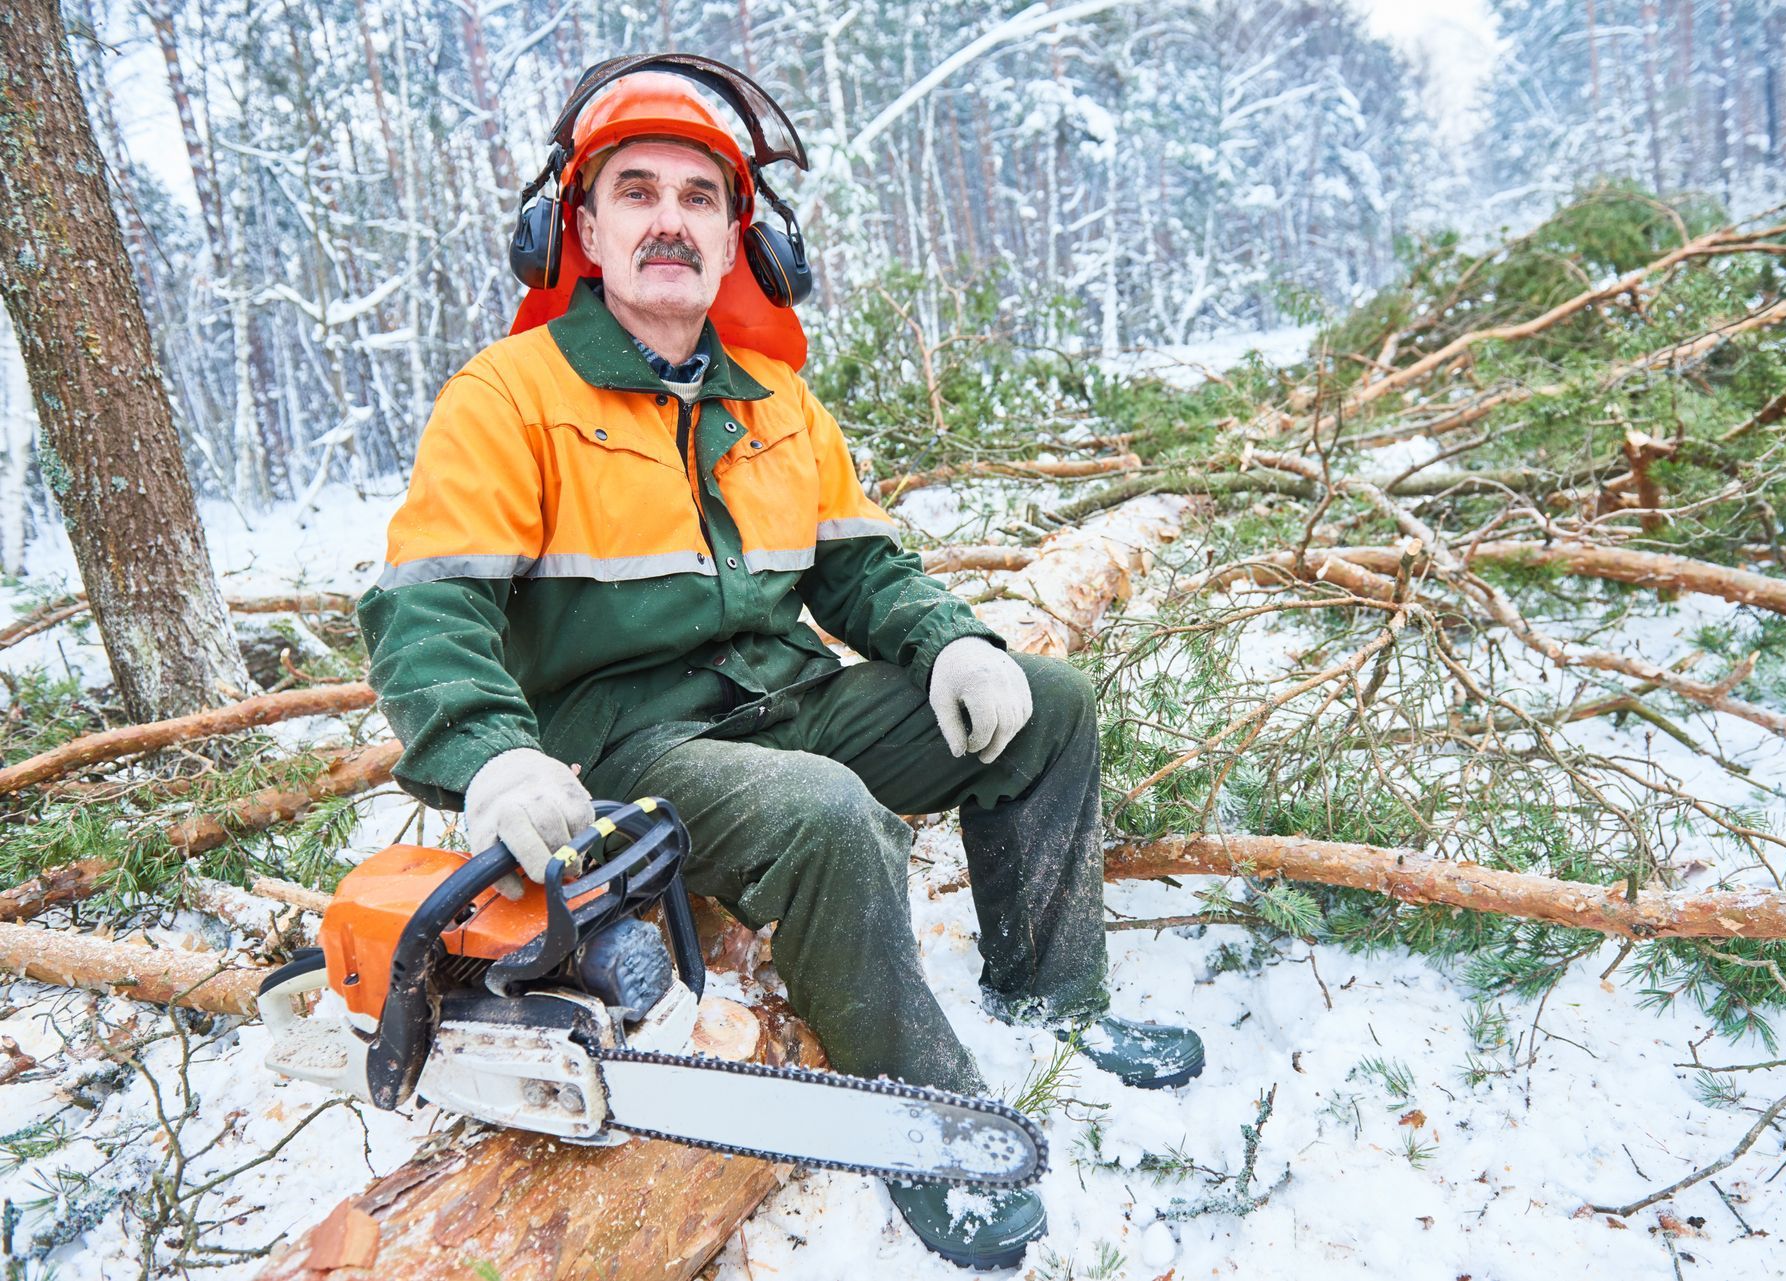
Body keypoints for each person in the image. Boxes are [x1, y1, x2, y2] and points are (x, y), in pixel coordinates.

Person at [356, 59, 1203, 1271]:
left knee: (1049, 709)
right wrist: (492, 761)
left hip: (785, 695)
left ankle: (1051, 1003)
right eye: (636, 191)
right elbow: (428, 613)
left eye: (700, 197)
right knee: (826, 816)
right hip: (627, 742)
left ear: (738, 236)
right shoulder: (509, 399)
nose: (669, 219)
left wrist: (951, 638)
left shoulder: (777, 403)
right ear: (580, 229)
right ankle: (921, 1118)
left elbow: (861, 569)